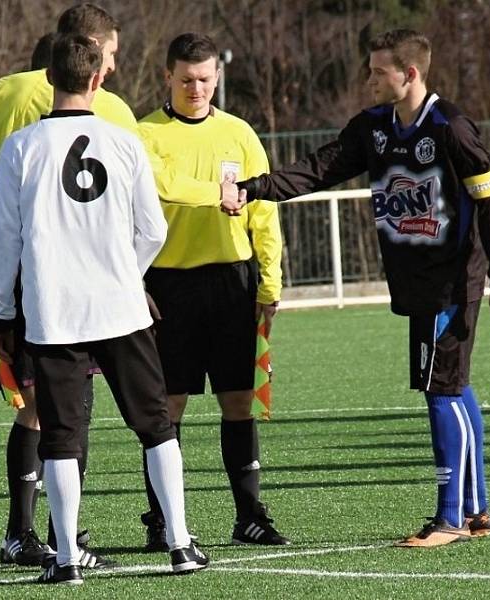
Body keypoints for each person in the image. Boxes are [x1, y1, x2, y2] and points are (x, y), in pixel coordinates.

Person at [0, 3, 165, 574]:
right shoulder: (109, 108)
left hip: (2, 267)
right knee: (67, 409)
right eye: (112, 54)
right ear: (91, 53)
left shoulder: (2, 93)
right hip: (71, 279)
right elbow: (143, 189)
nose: (115, 66)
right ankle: (43, 536)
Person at [232, 29, 490, 548]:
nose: (369, 79)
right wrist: (254, 189)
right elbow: (318, 170)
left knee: (441, 390)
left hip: (451, 281)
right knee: (454, 384)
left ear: (408, 75)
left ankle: (448, 518)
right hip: (416, 282)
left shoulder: (450, 127)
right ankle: (476, 511)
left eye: (377, 71)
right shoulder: (375, 127)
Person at [0, 32, 208, 584]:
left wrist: (0, 309)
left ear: (48, 80)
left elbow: (4, 241)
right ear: (97, 78)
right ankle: (180, 544)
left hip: (53, 312)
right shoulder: (123, 140)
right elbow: (152, 229)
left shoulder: (21, 147)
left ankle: (65, 559)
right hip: (121, 309)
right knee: (155, 426)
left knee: (61, 436)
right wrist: (122, 276)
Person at [137, 33, 288, 550]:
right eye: (185, 79)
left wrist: (270, 279)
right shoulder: (144, 135)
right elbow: (150, 197)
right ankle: (162, 520)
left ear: (217, 77)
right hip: (168, 287)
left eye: (203, 79)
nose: (195, 88)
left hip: (233, 282)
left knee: (239, 402)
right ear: (167, 77)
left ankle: (249, 515)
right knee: (168, 407)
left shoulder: (240, 133)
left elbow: (264, 210)